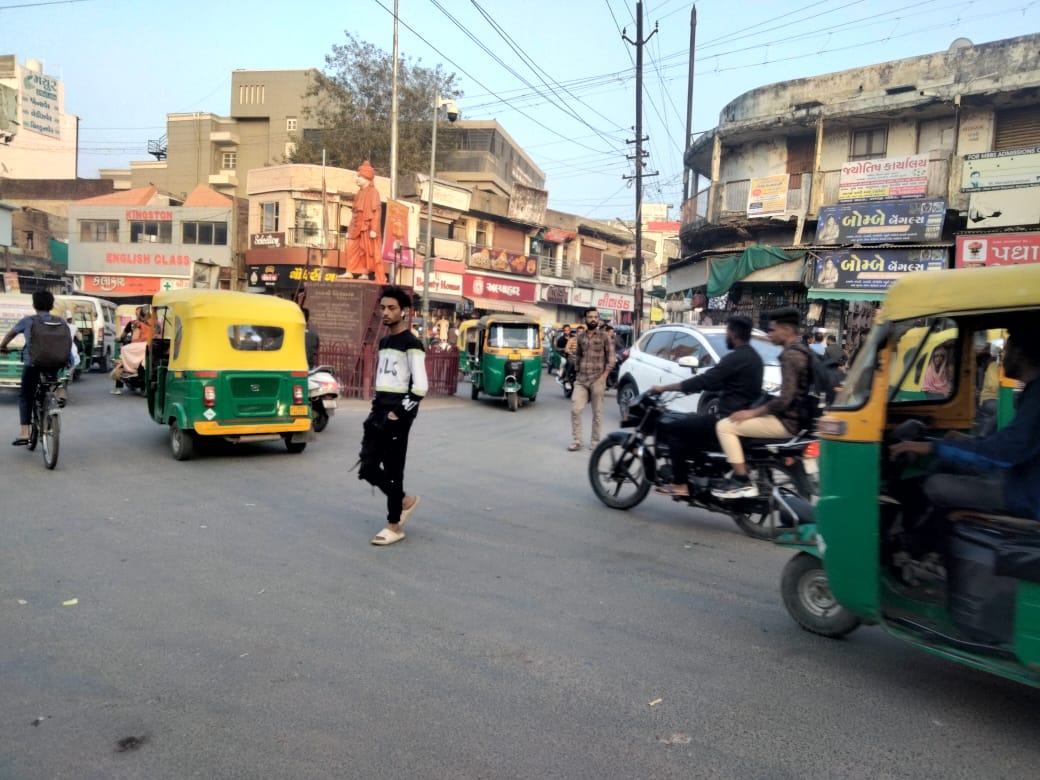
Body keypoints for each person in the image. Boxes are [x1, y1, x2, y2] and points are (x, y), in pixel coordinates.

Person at [890, 323, 1040, 519]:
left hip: (1025, 494)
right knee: (943, 465)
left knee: (936, 485)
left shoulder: (1036, 398)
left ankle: (928, 536)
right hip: (1019, 477)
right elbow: (1008, 444)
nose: (1003, 357)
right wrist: (965, 441)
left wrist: (933, 447)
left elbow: (1004, 452)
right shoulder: (1032, 392)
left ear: (1019, 355)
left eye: (1007, 351)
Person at [649, 316, 764, 497]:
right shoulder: (755, 358)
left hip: (727, 418)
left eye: (727, 331)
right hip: (740, 416)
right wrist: (696, 387)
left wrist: (664, 388)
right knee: (692, 422)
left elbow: (707, 379)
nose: (726, 335)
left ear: (733, 333)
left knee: (674, 429)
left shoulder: (735, 358)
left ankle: (680, 484)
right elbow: (724, 383)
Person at [713, 307, 812, 499]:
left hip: (787, 422)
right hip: (797, 419)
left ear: (787, 330)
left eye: (773, 330)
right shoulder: (802, 350)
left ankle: (742, 480)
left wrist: (752, 412)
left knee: (725, 426)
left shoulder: (790, 355)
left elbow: (786, 398)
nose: (769, 334)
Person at [356, 286, 428, 546]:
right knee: (367, 467)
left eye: (391, 308)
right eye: (383, 308)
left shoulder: (412, 343)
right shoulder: (384, 342)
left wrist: (398, 413)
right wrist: (377, 408)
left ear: (404, 311)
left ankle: (394, 525)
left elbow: (420, 386)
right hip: (378, 411)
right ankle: (405, 500)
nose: (385, 313)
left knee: (394, 470)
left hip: (397, 414)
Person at [0, 290, 63, 446]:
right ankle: (50, 410)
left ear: (34, 305)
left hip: (33, 364)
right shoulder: (60, 322)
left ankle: (25, 432)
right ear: (51, 305)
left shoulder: (28, 321)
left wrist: (2, 347)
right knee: (50, 386)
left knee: (26, 396)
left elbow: (10, 335)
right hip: (54, 364)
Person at [568, 308, 615, 451]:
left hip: (597, 379)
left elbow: (611, 358)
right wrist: (577, 372)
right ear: (585, 319)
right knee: (575, 410)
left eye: (595, 317)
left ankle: (595, 441)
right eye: (590, 317)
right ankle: (578, 440)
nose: (593, 319)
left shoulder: (604, 336)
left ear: (598, 319)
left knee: (597, 413)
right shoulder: (580, 337)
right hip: (582, 380)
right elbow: (578, 356)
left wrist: (604, 376)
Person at [343, 160, 386, 282]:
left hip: (367, 227)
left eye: (359, 177)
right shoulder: (358, 194)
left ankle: (364, 273)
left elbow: (376, 212)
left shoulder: (374, 192)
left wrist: (374, 229)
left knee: (367, 250)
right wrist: (349, 229)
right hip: (356, 226)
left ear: (367, 178)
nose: (357, 179)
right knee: (350, 247)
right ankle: (349, 271)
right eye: (357, 176)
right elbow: (354, 213)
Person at [112, 306, 153, 395]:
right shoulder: (156, 323)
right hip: (152, 348)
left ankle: (118, 387)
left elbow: (130, 338)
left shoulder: (134, 323)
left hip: (140, 347)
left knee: (123, 353)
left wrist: (121, 339)